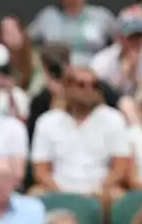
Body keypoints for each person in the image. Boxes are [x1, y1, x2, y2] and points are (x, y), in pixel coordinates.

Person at [30, 66, 130, 200]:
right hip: (58, 187)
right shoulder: (47, 121)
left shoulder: (114, 119)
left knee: (118, 196)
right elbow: (41, 171)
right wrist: (61, 193)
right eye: (81, 85)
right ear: (67, 88)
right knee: (35, 194)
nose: (88, 90)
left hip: (100, 190)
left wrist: (101, 188)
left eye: (94, 85)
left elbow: (120, 168)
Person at [28, 0, 117, 67]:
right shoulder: (48, 16)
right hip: (58, 74)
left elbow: (122, 42)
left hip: (95, 72)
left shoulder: (101, 15)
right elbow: (23, 43)